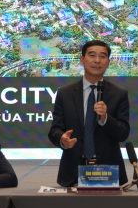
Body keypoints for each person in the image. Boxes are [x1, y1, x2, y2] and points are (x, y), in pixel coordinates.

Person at [48, 40, 131, 188]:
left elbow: (123, 134)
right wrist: (62, 139)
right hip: (73, 173)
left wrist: (105, 118)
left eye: (102, 56)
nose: (97, 60)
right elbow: (55, 130)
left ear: (108, 62)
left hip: (108, 173)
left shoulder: (119, 94)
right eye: (92, 55)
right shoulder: (65, 93)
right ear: (82, 59)